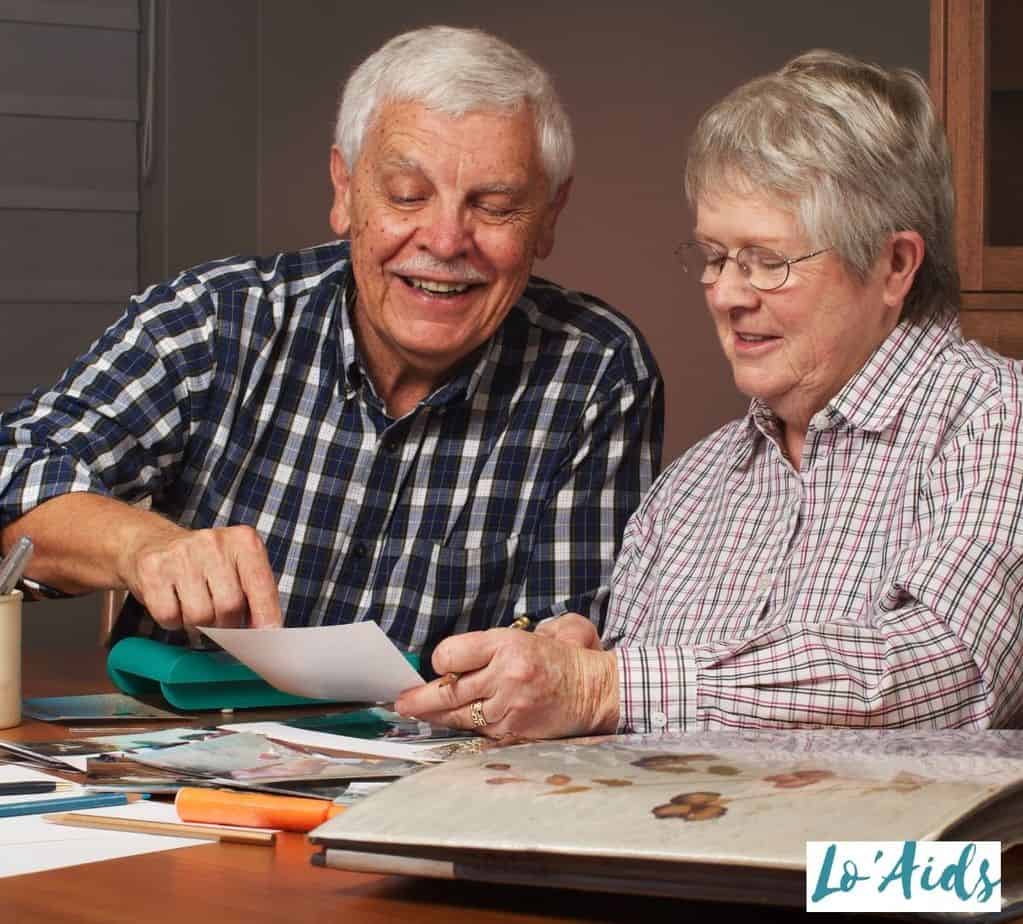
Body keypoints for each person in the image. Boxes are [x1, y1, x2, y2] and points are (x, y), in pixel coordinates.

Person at [396, 49, 1023, 734]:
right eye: (716, 257)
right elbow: (629, 703)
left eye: (767, 263)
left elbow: (954, 670)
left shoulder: (995, 419)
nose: (725, 295)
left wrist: (609, 689)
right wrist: (580, 666)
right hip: (681, 834)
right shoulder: (690, 487)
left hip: (898, 848)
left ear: (893, 264)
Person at [0, 26, 662, 657]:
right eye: (406, 196)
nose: (444, 241)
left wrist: (560, 661)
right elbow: (16, 473)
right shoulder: (214, 319)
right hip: (185, 744)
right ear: (345, 190)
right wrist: (139, 545)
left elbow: (568, 632)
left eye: (493, 207)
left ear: (547, 220)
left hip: (445, 762)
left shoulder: (597, 371)